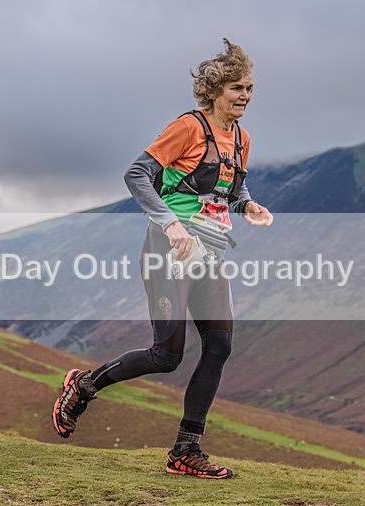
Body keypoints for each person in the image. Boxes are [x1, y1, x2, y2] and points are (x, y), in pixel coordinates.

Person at [53, 39, 273, 479]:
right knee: (166, 355)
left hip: (209, 252)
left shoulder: (242, 138)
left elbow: (231, 187)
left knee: (220, 344)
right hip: (168, 250)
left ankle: (186, 450)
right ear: (214, 91)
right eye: (236, 88)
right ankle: (84, 385)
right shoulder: (188, 128)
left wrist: (248, 205)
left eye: (249, 87)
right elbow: (136, 174)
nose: (245, 96)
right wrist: (170, 223)